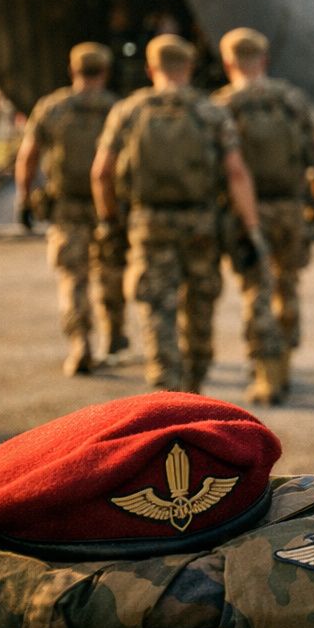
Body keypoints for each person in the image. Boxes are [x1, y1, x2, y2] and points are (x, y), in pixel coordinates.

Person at [92, 34, 269, 394]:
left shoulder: (129, 111)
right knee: (199, 308)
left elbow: (101, 173)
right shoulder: (210, 112)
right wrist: (250, 228)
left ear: (151, 68)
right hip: (201, 227)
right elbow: (236, 173)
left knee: (156, 311)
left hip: (148, 225)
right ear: (188, 66)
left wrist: (110, 222)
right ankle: (194, 384)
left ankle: (165, 388)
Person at [212, 27, 314, 405]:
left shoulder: (221, 106)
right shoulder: (292, 100)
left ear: (229, 62)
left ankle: (266, 373)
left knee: (257, 292)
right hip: (291, 209)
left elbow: (225, 168)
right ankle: (284, 361)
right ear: (263, 60)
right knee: (288, 285)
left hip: (248, 212)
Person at [14, 41, 127, 375]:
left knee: (72, 279)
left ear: (73, 70)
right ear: (105, 71)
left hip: (65, 208)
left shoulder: (52, 108)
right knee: (112, 273)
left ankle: (80, 345)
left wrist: (24, 198)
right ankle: (115, 335)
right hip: (108, 206)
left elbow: (28, 157)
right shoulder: (117, 109)